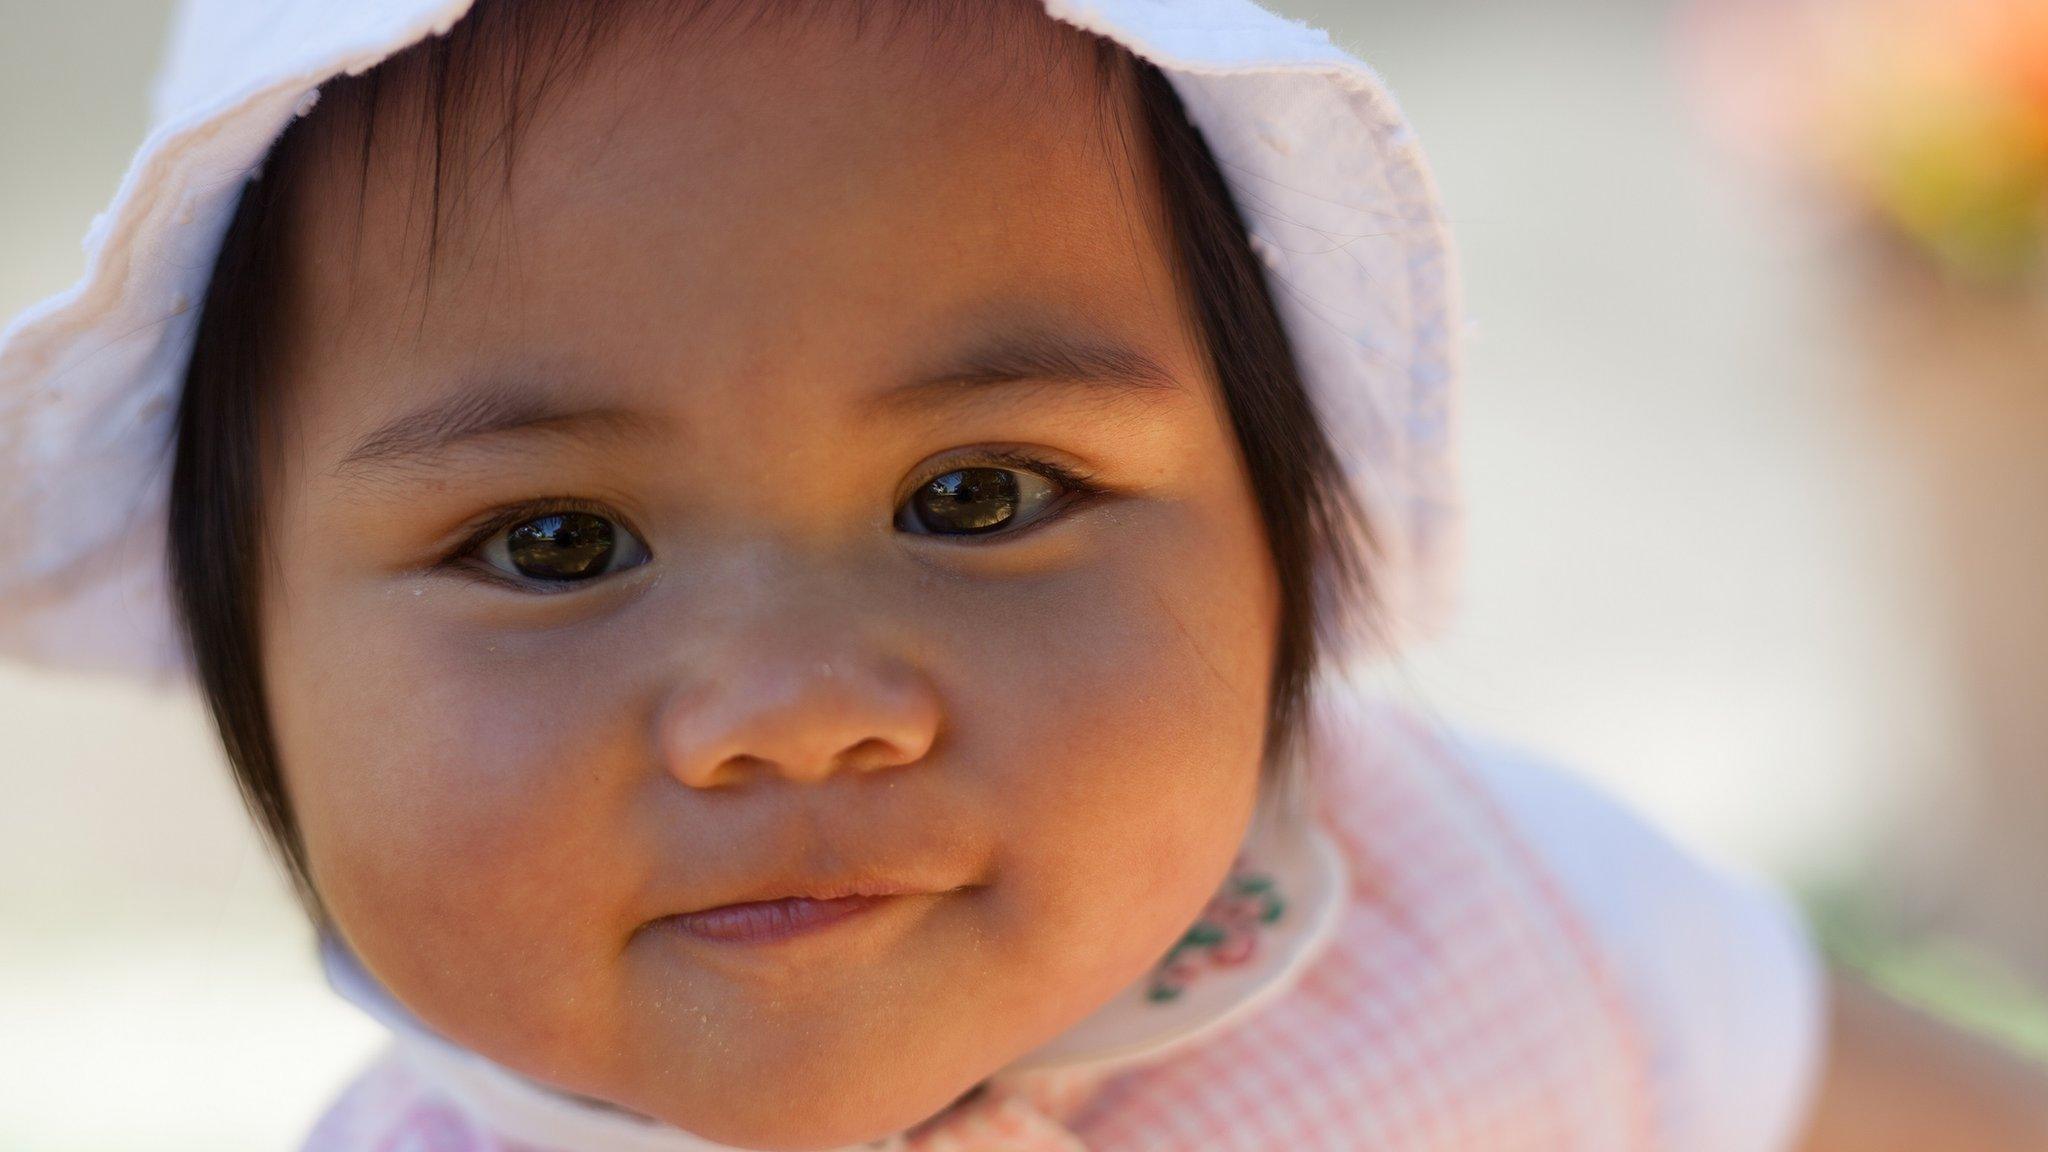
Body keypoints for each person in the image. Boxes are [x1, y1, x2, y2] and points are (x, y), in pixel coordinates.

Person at [0, 0, 2042, 1148]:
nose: (798, 701)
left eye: (979, 495)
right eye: (552, 545)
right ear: (252, 655)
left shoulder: (1504, 920)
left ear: (1281, 553)